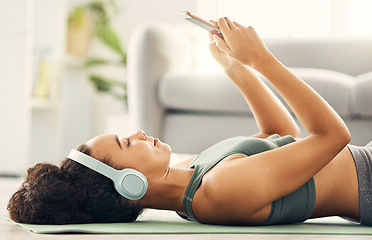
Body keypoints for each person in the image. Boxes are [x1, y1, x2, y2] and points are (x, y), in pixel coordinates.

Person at [7, 17, 372, 226]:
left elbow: (281, 137)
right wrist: (262, 59)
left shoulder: (191, 174)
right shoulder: (218, 191)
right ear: (130, 184)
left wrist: (236, 68)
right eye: (127, 143)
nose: (139, 133)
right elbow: (332, 136)